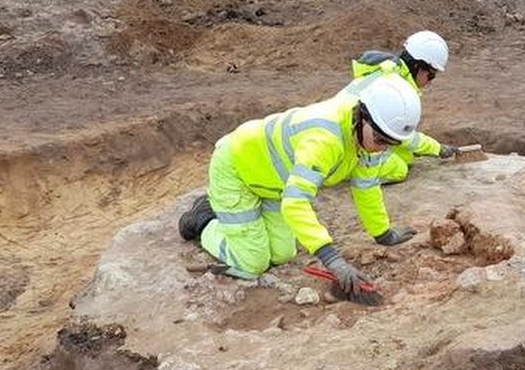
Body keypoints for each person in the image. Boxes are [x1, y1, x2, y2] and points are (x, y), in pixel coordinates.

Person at [177, 73, 421, 295]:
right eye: (380, 140)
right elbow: (296, 203)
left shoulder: (368, 139)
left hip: (273, 185)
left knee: (282, 254)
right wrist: (333, 260)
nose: (383, 148)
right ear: (363, 117)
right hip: (237, 169)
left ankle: (235, 220)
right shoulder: (324, 140)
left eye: (391, 143)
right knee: (252, 264)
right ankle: (203, 219)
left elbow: (366, 187)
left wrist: (382, 233)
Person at [339, 30, 459, 183]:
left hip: (347, 133)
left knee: (405, 155)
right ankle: (346, 171)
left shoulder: (387, 73)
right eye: (431, 75)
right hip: (346, 143)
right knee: (399, 169)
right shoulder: (395, 88)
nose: (430, 81)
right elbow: (406, 138)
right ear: (417, 66)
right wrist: (437, 149)